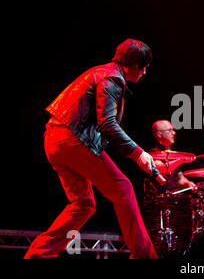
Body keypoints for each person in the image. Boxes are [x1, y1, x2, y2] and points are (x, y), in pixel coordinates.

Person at [24, 39, 162, 259]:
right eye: (145, 66)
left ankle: (37, 256)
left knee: (83, 203)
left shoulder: (102, 72)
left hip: (53, 139)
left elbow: (101, 129)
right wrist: (138, 153)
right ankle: (145, 256)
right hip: (72, 140)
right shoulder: (112, 78)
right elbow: (107, 124)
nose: (145, 72)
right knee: (124, 189)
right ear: (135, 64)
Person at [149, 120, 197, 192]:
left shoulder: (173, 155)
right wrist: (182, 160)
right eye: (169, 130)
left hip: (174, 196)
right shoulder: (154, 153)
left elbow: (180, 178)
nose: (174, 133)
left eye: (173, 130)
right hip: (160, 198)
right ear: (159, 134)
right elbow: (162, 168)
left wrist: (187, 183)